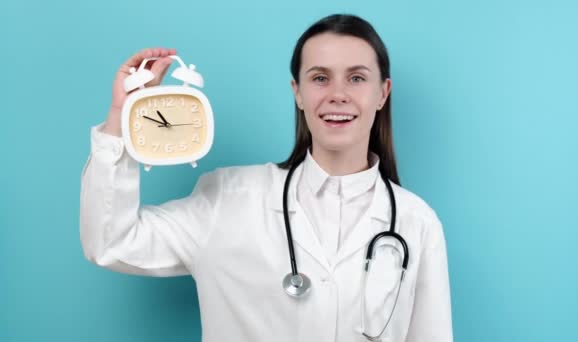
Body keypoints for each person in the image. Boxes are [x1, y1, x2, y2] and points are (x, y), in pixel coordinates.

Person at [80, 14, 453, 342]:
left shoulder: (416, 223)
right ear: (298, 93)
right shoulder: (227, 199)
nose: (338, 94)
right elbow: (112, 241)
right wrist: (122, 118)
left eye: (356, 78)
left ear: (382, 93)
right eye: (320, 78)